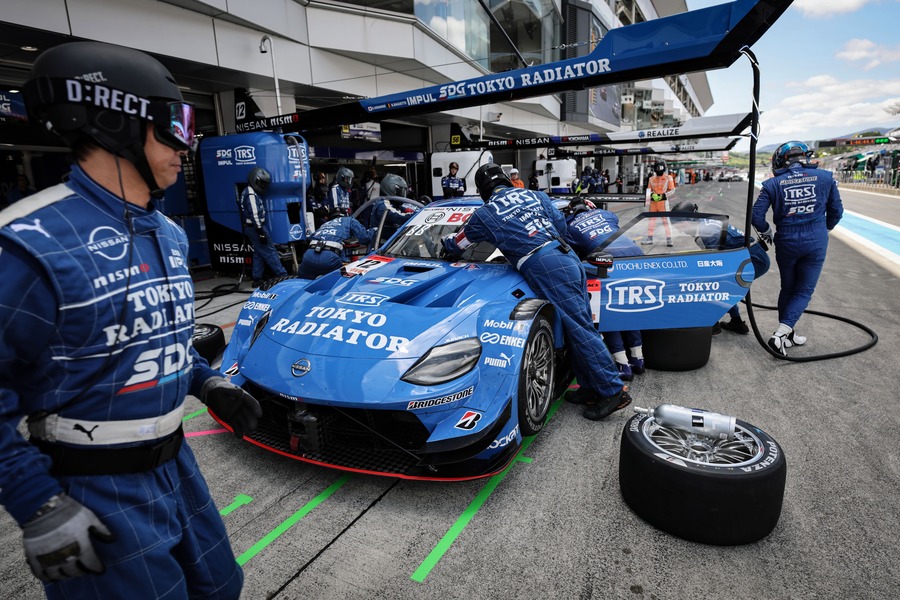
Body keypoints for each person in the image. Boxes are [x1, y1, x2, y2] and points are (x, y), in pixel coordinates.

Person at [1, 41, 260, 599]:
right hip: (91, 483)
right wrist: (37, 503)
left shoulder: (166, 233)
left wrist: (206, 382)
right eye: (174, 125)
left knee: (221, 588)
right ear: (113, 122)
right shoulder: (27, 244)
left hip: (176, 464)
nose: (186, 144)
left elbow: (153, 339)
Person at [442, 164, 631, 421]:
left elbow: (458, 244)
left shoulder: (484, 214)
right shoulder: (535, 195)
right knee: (577, 327)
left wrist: (446, 245)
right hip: (567, 257)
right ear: (507, 180)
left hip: (545, 264)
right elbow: (560, 225)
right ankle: (591, 387)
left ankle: (612, 390)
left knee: (580, 329)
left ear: (483, 189)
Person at [752, 140, 843, 355]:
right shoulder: (825, 177)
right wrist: (824, 229)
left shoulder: (772, 184)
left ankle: (788, 333)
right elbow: (837, 211)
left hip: (786, 240)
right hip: (815, 238)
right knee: (803, 290)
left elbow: (756, 216)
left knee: (788, 288)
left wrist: (766, 231)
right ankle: (780, 335)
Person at [563, 199, 646, 380]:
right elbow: (613, 223)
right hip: (637, 256)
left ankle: (623, 365)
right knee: (630, 306)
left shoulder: (569, 226)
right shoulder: (605, 213)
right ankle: (638, 359)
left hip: (608, 262)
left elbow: (572, 252)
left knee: (608, 311)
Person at [671, 200, 771, 334]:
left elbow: (714, 267)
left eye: (679, 226)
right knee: (723, 284)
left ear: (688, 220)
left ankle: (712, 323)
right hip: (746, 256)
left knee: (716, 284)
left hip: (754, 259)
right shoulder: (703, 224)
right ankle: (736, 322)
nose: (680, 231)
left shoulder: (707, 231)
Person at [241, 166, 288, 287]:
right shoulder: (251, 194)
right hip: (255, 227)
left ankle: (257, 278)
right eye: (261, 183)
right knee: (270, 251)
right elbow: (254, 214)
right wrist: (260, 231)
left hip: (252, 227)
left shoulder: (250, 192)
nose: (263, 186)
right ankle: (282, 275)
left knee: (259, 253)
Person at [297, 209, 372, 279]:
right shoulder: (349, 220)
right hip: (330, 257)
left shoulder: (324, 224)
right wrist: (373, 230)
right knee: (344, 282)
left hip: (309, 256)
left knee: (302, 284)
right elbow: (365, 238)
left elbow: (310, 239)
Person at [367, 173, 417, 245]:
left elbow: (403, 209)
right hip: (382, 245)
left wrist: (411, 211)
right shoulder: (383, 206)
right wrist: (419, 213)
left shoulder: (393, 203)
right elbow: (401, 217)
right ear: (391, 189)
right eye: (401, 191)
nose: (403, 194)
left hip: (391, 242)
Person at [643, 159, 675, 246]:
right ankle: (650, 238)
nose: (659, 169)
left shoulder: (668, 178)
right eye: (657, 167)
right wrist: (651, 196)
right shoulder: (651, 179)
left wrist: (662, 196)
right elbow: (648, 190)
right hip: (653, 203)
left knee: (666, 221)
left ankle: (669, 239)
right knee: (651, 221)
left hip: (663, 203)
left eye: (660, 167)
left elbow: (672, 190)